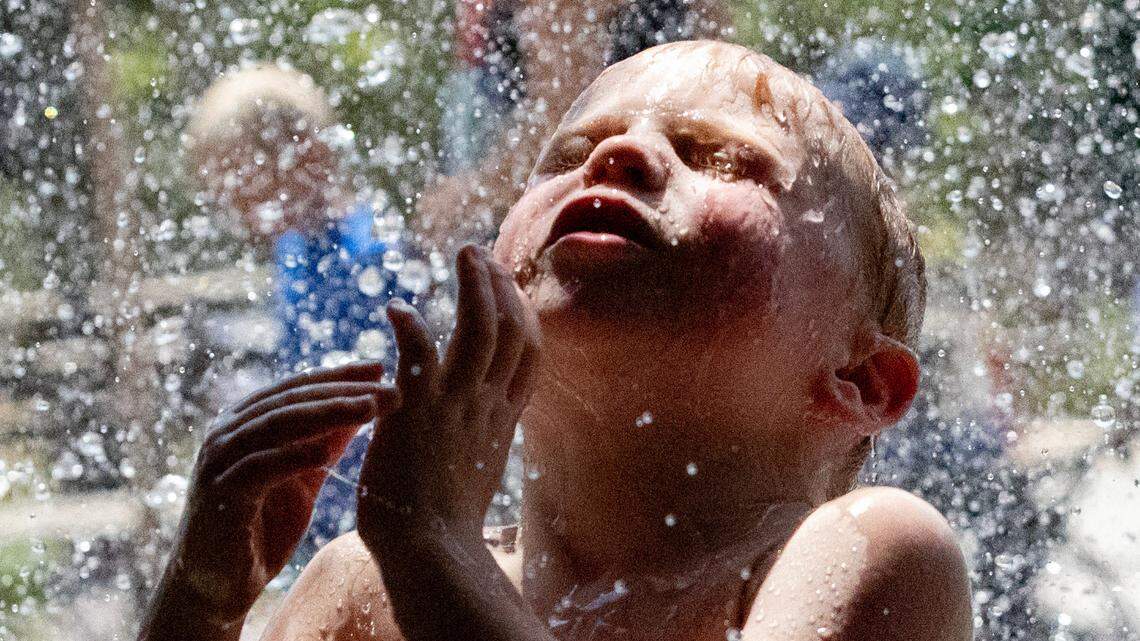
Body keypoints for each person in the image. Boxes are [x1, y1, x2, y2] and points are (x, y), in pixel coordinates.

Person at [142, 41, 972, 641]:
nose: (617, 152)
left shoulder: (869, 551)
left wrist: (434, 549)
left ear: (861, 380)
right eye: (566, 154)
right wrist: (199, 599)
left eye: (718, 157)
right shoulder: (363, 588)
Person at [185, 66, 419, 559]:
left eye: (238, 177)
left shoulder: (378, 252)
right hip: (316, 522)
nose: (230, 204)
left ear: (306, 153)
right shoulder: (291, 252)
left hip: (384, 519)